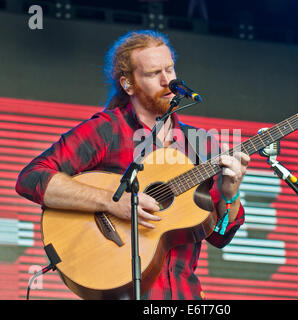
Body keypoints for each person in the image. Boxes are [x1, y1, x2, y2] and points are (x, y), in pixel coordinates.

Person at [15, 30, 250, 300]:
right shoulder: (108, 130)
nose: (167, 81)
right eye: (153, 74)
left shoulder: (200, 145)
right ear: (128, 84)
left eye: (170, 69)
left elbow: (220, 236)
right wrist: (111, 201)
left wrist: (230, 195)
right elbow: (31, 178)